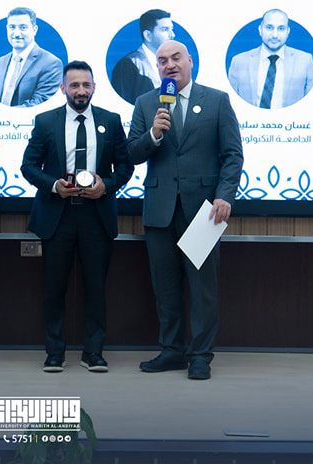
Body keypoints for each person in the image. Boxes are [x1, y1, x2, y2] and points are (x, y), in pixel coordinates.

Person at [126, 40, 243, 380]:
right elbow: (132, 152)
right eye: (162, 60)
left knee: (203, 288)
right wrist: (153, 134)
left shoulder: (217, 100)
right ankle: (172, 351)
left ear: (190, 61)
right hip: (160, 208)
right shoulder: (146, 103)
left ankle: (201, 356)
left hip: (204, 211)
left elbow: (232, 154)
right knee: (165, 287)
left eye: (176, 58)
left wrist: (225, 195)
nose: (169, 65)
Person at [21, 61, 133, 374]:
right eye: (74, 85)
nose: (80, 91)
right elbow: (28, 166)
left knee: (96, 288)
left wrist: (106, 186)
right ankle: (54, 353)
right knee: (54, 288)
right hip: (58, 217)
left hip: (96, 216)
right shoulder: (46, 121)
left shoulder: (111, 121)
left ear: (94, 87)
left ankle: (93, 353)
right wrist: (53, 185)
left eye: (86, 85)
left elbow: (126, 167)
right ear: (63, 88)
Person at [227, 9, 313, 109]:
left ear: (288, 32)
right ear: (260, 30)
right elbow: (231, 103)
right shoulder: (239, 61)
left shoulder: (305, 60)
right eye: (269, 28)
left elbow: (312, 103)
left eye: (281, 28)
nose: (275, 35)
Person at [0, 7, 63, 107]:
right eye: (12, 27)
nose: (16, 34)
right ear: (7, 29)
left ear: (34, 30)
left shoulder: (51, 63)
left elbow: (40, 102)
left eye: (23, 27)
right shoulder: (1, 61)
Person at [110, 9, 175, 104]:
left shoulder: (174, 64)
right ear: (148, 35)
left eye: (171, 29)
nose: (172, 35)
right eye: (165, 29)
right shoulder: (128, 64)